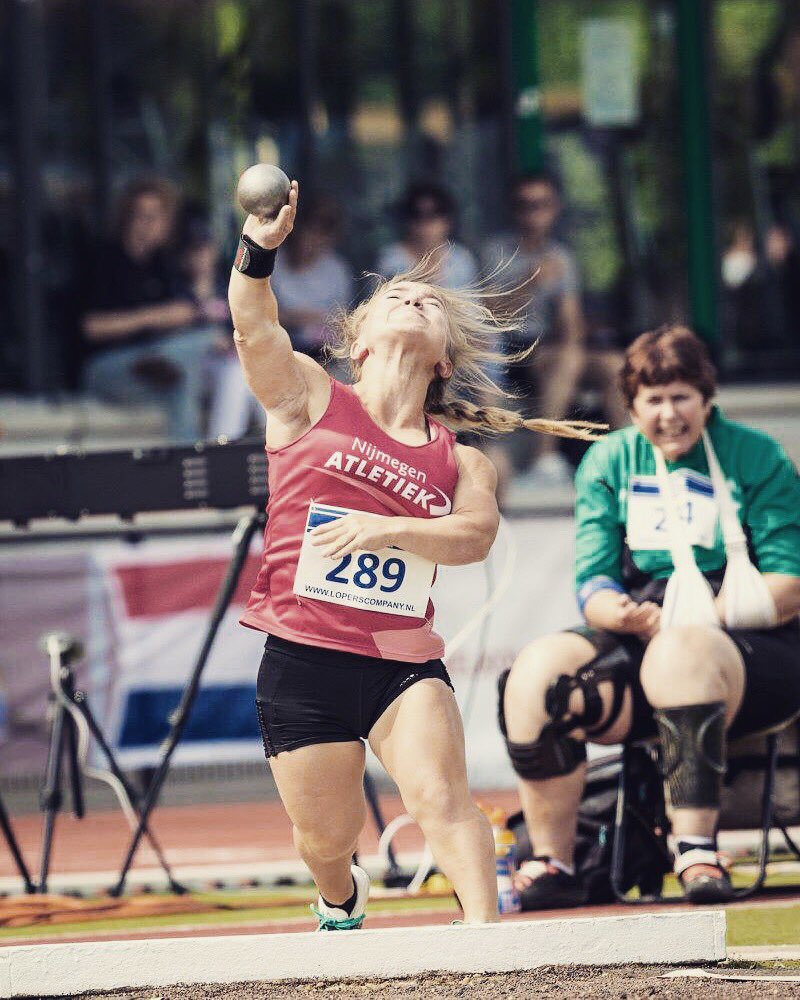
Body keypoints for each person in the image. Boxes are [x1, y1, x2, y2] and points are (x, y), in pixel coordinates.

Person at [229, 181, 601, 930]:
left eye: (429, 301)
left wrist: (385, 530)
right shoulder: (310, 397)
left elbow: (474, 538)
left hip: (401, 661)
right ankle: (340, 894)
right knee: (326, 839)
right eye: (397, 295)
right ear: (359, 342)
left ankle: (486, 947)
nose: (415, 299)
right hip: (302, 657)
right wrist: (256, 251)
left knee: (443, 801)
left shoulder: (460, 460)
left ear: (444, 363)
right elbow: (253, 329)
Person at [499, 326, 800, 908]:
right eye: (653, 400)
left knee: (681, 651)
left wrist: (692, 616)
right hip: (645, 629)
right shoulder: (609, 460)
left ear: (707, 398)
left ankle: (696, 849)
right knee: (537, 675)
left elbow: (788, 588)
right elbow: (593, 581)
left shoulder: (757, 455)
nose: (668, 414)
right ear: (631, 406)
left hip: (755, 645)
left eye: (681, 397)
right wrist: (612, 609)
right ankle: (554, 860)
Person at [483, 172, 627, 487]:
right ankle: (543, 458)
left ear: (554, 208)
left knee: (615, 365)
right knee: (567, 359)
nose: (533, 213)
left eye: (541, 205)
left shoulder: (560, 255)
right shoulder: (497, 251)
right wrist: (530, 282)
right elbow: (489, 314)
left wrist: (570, 325)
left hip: (550, 348)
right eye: (524, 205)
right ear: (513, 209)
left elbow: (571, 322)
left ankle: (629, 460)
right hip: (509, 350)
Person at [81, 178, 217, 442]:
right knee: (205, 344)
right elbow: (91, 328)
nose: (147, 225)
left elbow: (194, 312)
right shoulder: (103, 259)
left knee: (185, 378)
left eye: (155, 217)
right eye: (140, 216)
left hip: (158, 363)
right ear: (125, 218)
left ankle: (189, 457)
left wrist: (203, 276)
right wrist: (154, 317)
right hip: (107, 366)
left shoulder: (161, 264)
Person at [377, 182, 479, 289]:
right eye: (418, 217)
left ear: (448, 221)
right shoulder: (392, 261)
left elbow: (472, 298)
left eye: (433, 216)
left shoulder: (461, 260)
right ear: (408, 222)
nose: (426, 226)